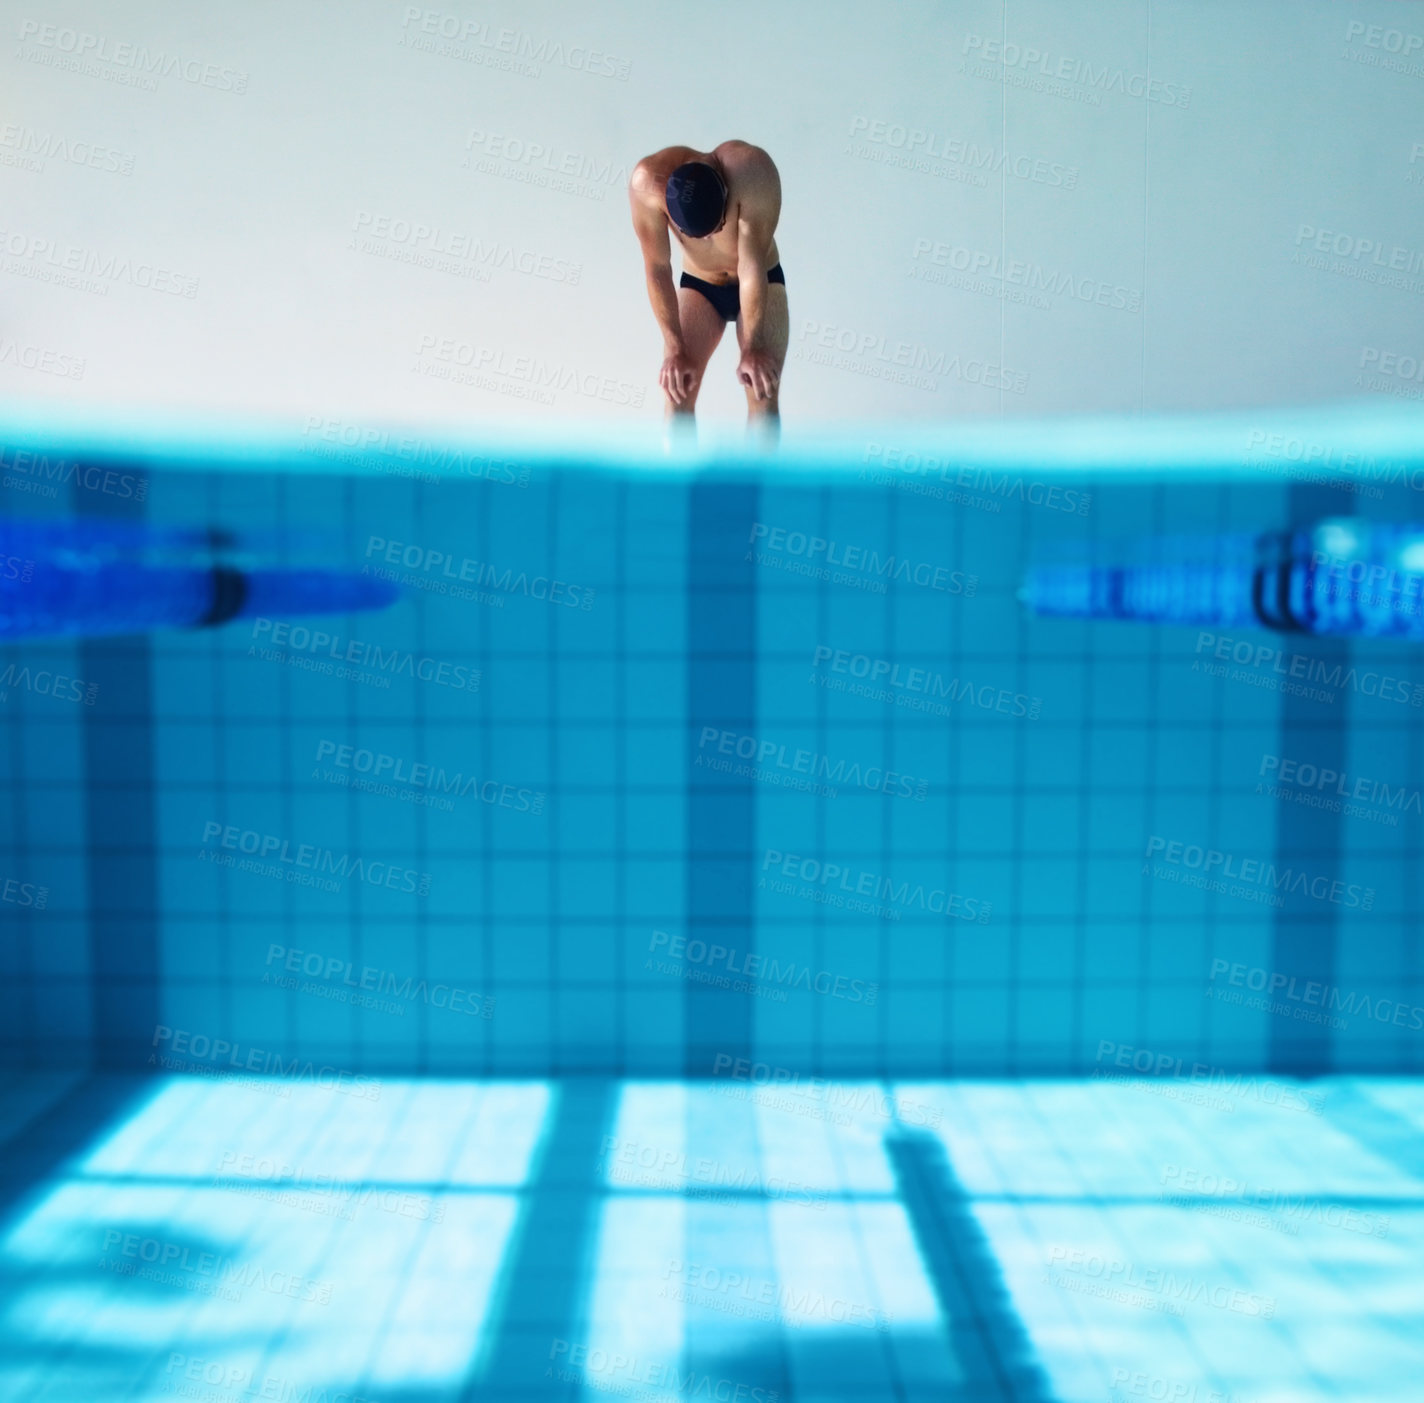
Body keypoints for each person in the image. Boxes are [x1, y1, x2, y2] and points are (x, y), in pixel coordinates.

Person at [628, 141, 787, 432]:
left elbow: (751, 268)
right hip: (700, 285)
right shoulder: (647, 185)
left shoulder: (753, 172)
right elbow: (658, 269)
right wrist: (675, 349)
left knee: (762, 389)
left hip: (760, 280)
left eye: (719, 226)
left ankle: (758, 479)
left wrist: (754, 346)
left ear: (726, 193)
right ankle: (679, 479)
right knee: (677, 390)